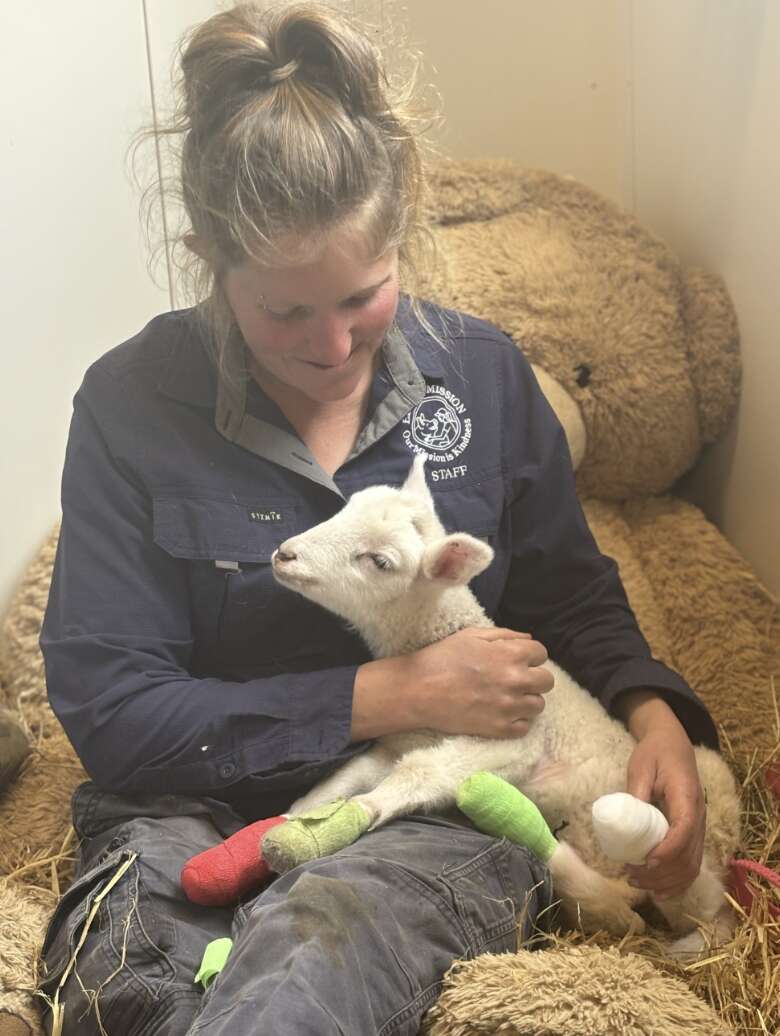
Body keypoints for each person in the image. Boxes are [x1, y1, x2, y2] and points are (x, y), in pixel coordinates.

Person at [37, 3, 719, 1034]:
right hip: (189, 803)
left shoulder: (483, 376)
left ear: (401, 232)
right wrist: (385, 690)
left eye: (365, 294)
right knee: (127, 979)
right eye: (285, 311)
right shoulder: (130, 405)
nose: (332, 345)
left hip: (438, 801)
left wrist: (657, 715)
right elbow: (114, 710)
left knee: (323, 952)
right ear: (207, 258)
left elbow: (571, 594)